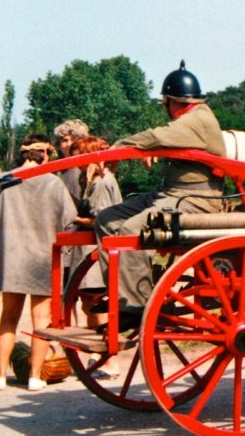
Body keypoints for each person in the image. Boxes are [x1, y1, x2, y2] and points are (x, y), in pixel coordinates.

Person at [93, 61, 226, 331]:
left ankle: (137, 307)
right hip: (171, 193)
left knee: (130, 230)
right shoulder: (191, 120)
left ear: (171, 101)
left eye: (164, 103)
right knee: (106, 220)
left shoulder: (198, 118)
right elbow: (166, 140)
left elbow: (158, 136)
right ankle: (121, 297)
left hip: (196, 200)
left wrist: (120, 147)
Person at [0, 134, 77, 391]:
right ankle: (35, 375)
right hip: (44, 258)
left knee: (8, 318)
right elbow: (70, 220)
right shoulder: (54, 184)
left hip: (12, 256)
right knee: (41, 320)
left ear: (23, 154)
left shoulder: (3, 182)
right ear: (45, 154)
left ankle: (0, 375)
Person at [65, 136, 123, 378]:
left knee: (96, 303)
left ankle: (107, 359)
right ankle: (97, 356)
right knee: (91, 303)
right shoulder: (95, 179)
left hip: (96, 250)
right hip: (92, 250)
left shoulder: (99, 182)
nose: (76, 160)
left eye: (80, 155)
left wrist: (73, 217)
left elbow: (102, 219)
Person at [53, 119, 90, 203]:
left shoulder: (86, 168)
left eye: (74, 140)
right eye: (65, 140)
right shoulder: (56, 170)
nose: (69, 144)